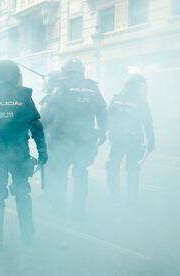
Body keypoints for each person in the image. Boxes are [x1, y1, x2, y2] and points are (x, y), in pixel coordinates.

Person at [0, 60, 48, 250]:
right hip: (20, 154)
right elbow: (36, 126)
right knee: (23, 194)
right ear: (14, 76)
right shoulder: (23, 95)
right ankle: (28, 236)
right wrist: (42, 151)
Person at [41, 59, 107, 218]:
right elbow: (103, 111)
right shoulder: (93, 87)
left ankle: (59, 207)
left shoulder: (62, 87)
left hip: (63, 139)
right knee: (81, 172)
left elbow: (49, 111)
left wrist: (38, 129)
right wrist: (103, 132)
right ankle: (78, 209)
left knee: (61, 172)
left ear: (66, 71)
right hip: (85, 140)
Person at [106, 74, 155, 205]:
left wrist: (108, 134)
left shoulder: (116, 100)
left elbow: (107, 118)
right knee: (133, 169)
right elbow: (148, 124)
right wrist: (151, 141)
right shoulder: (142, 103)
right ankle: (132, 199)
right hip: (134, 141)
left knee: (113, 166)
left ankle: (114, 196)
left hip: (117, 140)